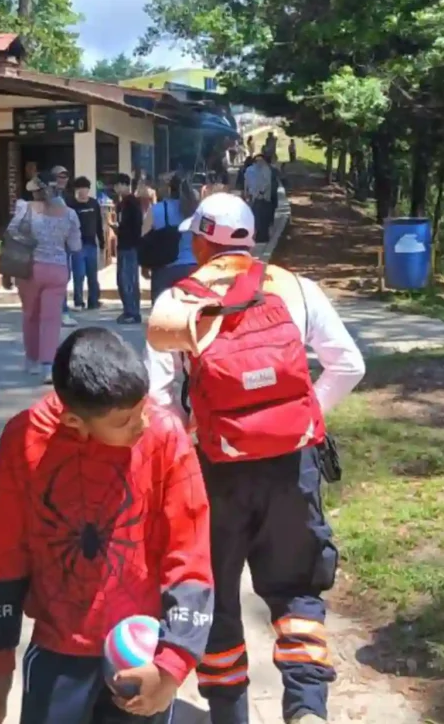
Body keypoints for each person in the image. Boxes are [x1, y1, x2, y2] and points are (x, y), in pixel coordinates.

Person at [145, 192, 367, 724]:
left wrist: (191, 444)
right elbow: (349, 365)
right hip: (293, 466)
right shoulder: (297, 287)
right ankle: (307, 706)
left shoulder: (177, 299)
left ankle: (230, 715)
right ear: (250, 239)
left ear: (202, 242)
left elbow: (156, 398)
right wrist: (302, 418)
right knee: (297, 591)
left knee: (216, 597)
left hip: (213, 472)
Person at [0, 327, 214, 724]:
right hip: (56, 651)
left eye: (142, 407)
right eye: (124, 421)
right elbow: (4, 552)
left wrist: (172, 666)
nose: (142, 424)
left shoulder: (165, 436)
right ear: (74, 420)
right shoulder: (25, 439)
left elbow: (190, 552)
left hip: (142, 654)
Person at [11, 183, 82, 383]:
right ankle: (47, 366)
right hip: (58, 269)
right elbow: (75, 246)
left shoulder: (25, 209)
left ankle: (31, 359)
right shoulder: (70, 214)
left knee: (30, 316)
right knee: (51, 319)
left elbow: (13, 235)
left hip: (30, 268)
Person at [145, 175, 199, 302]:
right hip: (192, 267)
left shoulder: (157, 210)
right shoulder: (196, 210)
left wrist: (145, 266)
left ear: (169, 190)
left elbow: (143, 238)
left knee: (161, 309)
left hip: (164, 268)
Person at [68, 176, 105, 310]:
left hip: (91, 243)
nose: (83, 191)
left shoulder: (94, 204)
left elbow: (99, 224)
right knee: (79, 274)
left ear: (88, 190)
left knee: (92, 274)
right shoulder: (71, 205)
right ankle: (78, 301)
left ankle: (93, 301)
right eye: (80, 189)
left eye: (85, 189)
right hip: (77, 244)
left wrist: (102, 242)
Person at [49, 165, 79, 328]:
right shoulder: (47, 196)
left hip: (64, 243)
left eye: (65, 177)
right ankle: (59, 312)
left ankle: (61, 311)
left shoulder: (68, 197)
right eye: (59, 177)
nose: (63, 180)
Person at [115, 173, 143, 324]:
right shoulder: (121, 204)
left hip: (130, 245)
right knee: (122, 279)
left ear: (126, 185)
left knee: (128, 279)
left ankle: (132, 311)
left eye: (119, 185)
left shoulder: (132, 203)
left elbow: (137, 224)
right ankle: (128, 309)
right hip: (122, 244)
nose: (116, 188)